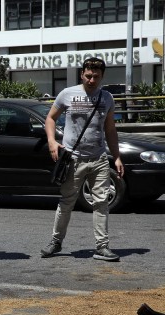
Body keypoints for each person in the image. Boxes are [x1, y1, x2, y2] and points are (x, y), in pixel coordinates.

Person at [41, 57, 124, 261]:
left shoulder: (107, 98)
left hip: (99, 158)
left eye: (96, 76)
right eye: (88, 76)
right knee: (67, 201)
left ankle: (102, 247)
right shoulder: (67, 94)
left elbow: (110, 130)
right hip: (74, 158)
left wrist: (117, 157)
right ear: (82, 74)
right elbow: (50, 118)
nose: (91, 80)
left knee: (101, 202)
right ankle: (56, 242)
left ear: (102, 76)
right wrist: (52, 141)